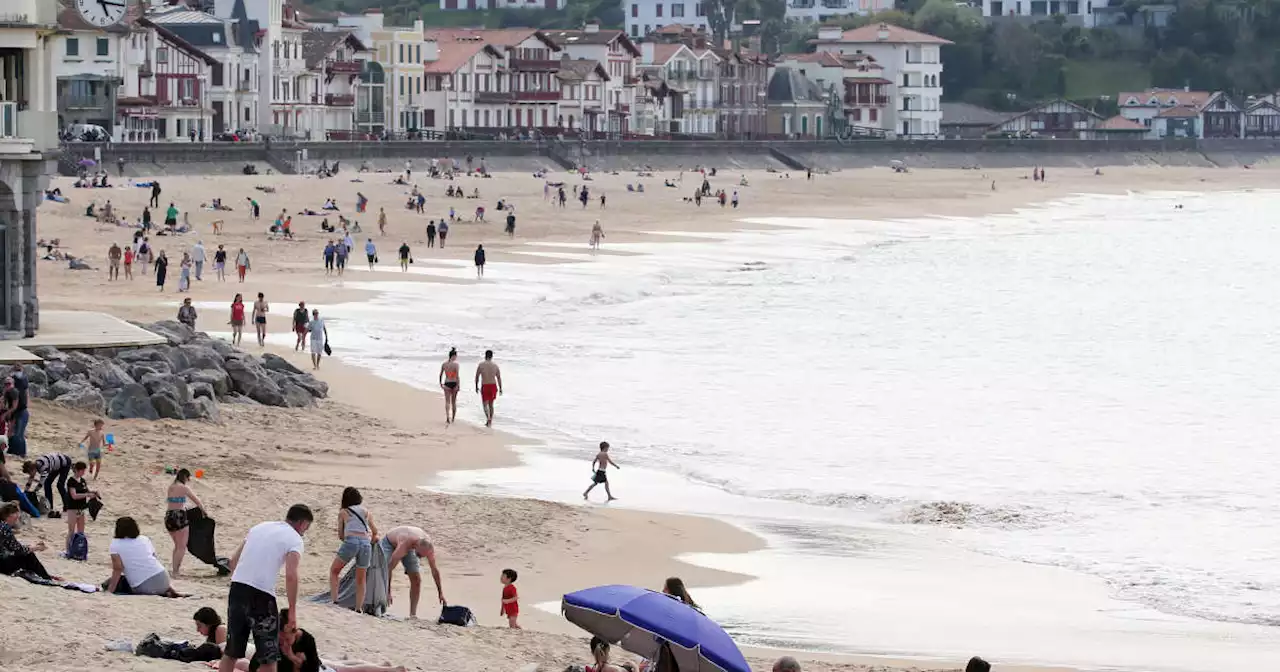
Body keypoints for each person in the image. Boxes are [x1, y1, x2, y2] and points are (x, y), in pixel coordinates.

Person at [217, 505, 313, 672]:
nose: (305, 531)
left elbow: (233, 562)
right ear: (302, 523)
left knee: (231, 652)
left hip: (238, 588)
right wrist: (292, 610)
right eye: (307, 527)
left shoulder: (259, 527)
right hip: (261, 595)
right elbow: (291, 575)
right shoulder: (295, 539)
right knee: (268, 657)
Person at [380, 526, 445, 619]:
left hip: (412, 546)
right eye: (419, 555)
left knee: (416, 579)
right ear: (416, 547)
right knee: (381, 570)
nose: (420, 558)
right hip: (390, 542)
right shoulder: (404, 544)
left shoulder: (428, 547)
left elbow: (434, 571)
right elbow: (388, 569)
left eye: (423, 557)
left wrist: (440, 593)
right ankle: (379, 604)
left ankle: (413, 614)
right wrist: (388, 591)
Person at [108, 516, 182, 596]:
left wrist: (110, 590)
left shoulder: (115, 544)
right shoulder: (144, 539)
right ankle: (167, 591)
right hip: (164, 579)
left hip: (144, 587)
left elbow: (118, 568)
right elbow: (153, 558)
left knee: (112, 583)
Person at [330, 486, 378, 612]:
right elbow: (375, 531)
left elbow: (341, 534)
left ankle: (335, 600)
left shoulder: (344, 512)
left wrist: (348, 540)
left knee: (334, 571)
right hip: (366, 544)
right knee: (361, 578)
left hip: (351, 542)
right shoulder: (366, 512)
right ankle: (358, 608)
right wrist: (370, 541)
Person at [166, 468, 206, 576]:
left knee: (177, 546)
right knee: (181, 547)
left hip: (168, 517)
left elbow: (175, 502)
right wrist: (204, 513)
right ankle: (175, 572)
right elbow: (198, 502)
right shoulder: (184, 488)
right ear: (185, 477)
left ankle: (174, 569)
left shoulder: (171, 487)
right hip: (179, 517)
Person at [0, 502, 55, 579]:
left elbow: (12, 546)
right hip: (2, 564)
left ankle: (42, 575)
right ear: (9, 515)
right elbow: (18, 550)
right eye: (16, 515)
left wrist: (31, 547)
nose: (17, 518)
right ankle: (46, 577)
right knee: (28, 555)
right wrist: (36, 548)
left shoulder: (2, 525)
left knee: (25, 554)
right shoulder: (5, 528)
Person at [64, 461, 97, 551]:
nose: (84, 472)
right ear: (78, 470)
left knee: (81, 532)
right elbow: (74, 496)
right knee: (71, 531)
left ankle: (79, 550)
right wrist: (86, 495)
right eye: (83, 470)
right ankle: (68, 550)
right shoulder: (71, 481)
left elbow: (87, 491)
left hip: (82, 508)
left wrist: (93, 493)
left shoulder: (82, 481)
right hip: (73, 508)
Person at [474, 350, 502, 427]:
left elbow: (477, 376)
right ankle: (490, 420)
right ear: (492, 356)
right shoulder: (495, 365)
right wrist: (500, 388)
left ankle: (488, 418)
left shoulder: (481, 365)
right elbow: (499, 378)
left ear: (485, 356)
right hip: (493, 386)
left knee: (485, 404)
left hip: (485, 385)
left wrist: (476, 386)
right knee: (491, 404)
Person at [4, 372, 28, 457]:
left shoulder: (14, 391)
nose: (7, 385)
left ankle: (22, 453)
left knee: (19, 433)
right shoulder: (7, 392)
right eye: (5, 384)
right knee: (11, 432)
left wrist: (4, 415)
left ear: (13, 384)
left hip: (21, 413)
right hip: (15, 413)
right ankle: (12, 450)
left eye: (9, 383)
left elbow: (14, 407)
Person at [438, 348, 460, 424]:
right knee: (453, 402)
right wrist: (458, 385)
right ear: (453, 356)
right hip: (454, 383)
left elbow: (440, 374)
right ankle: (453, 419)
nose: (456, 358)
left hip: (447, 383)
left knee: (447, 401)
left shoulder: (444, 364)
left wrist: (440, 383)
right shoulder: (456, 365)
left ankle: (448, 417)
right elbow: (457, 376)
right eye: (456, 356)